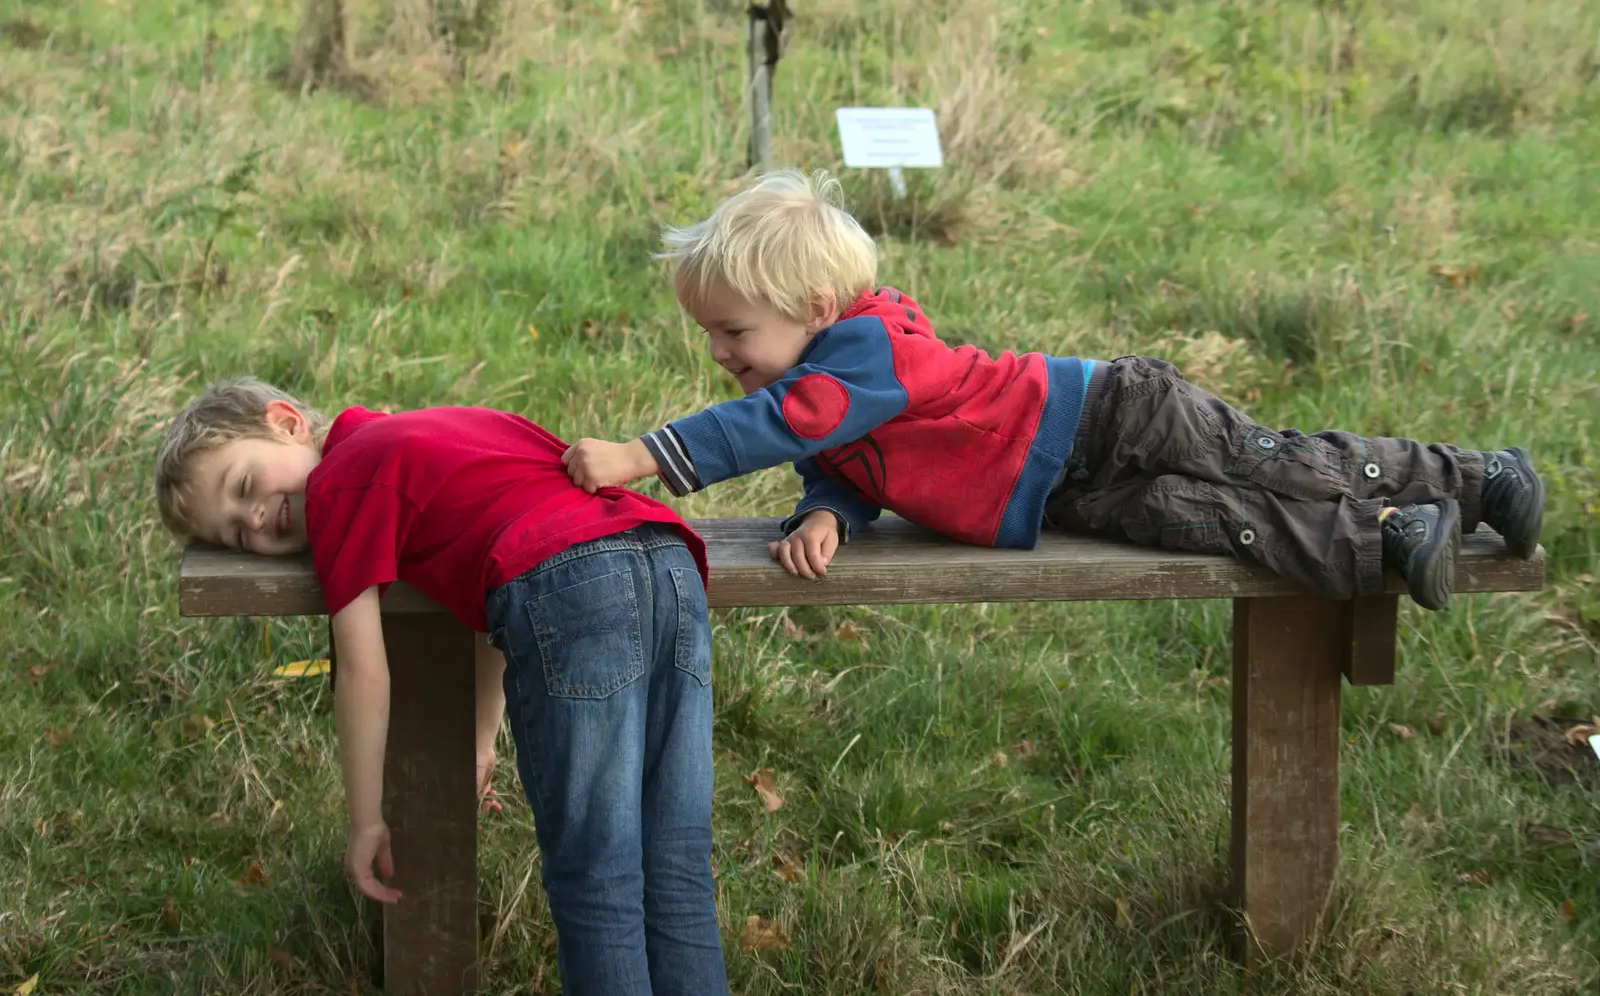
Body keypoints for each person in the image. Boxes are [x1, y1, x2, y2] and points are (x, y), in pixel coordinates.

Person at [562, 169, 1544, 611]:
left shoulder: (865, 351)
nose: (722, 352)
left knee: (1270, 463)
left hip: (1105, 413)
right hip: (1057, 492)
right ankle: (1393, 539)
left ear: (815, 304)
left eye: (735, 330)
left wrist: (645, 455)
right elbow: (841, 455)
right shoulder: (824, 388)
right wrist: (829, 513)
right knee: (1216, 520)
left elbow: (795, 420)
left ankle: (1475, 476)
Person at [155, 379, 729, 996]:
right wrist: (481, 739)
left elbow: (364, 672)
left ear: (287, 422)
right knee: (676, 866)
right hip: (666, 561)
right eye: (239, 533)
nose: (259, 518)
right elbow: (495, 584)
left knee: (600, 879)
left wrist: (367, 818)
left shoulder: (337, 489)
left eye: (243, 487)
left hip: (574, 590)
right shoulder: (430, 436)